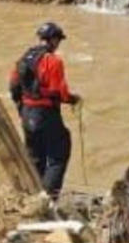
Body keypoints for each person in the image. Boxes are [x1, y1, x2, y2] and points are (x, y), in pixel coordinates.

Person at [9, 22, 81, 200]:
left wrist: (22, 108)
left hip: (27, 113)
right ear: (54, 40)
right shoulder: (53, 61)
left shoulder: (24, 58)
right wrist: (74, 99)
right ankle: (48, 198)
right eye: (58, 41)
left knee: (35, 156)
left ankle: (32, 194)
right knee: (60, 151)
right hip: (45, 113)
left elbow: (13, 85)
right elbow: (60, 92)